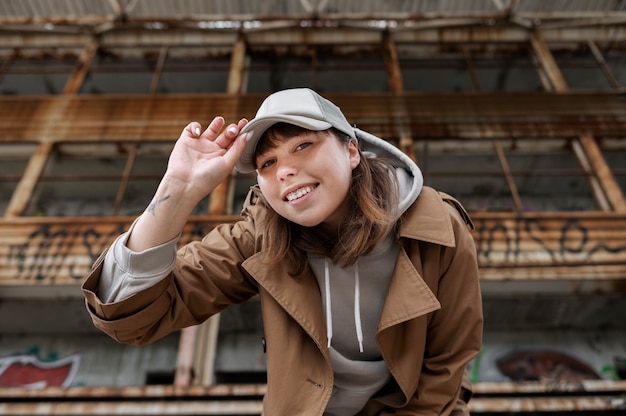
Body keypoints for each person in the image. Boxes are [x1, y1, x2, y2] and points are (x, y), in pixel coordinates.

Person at [82, 88, 483, 415]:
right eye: (268, 162)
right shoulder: (260, 236)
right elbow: (129, 315)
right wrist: (177, 192)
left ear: (350, 151)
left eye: (304, 145)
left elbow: (447, 364)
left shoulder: (436, 227)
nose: (284, 171)